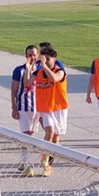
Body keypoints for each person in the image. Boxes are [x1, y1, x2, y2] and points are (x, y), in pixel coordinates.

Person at [24, 47, 68, 177]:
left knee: (56, 137)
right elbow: (27, 83)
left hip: (59, 109)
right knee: (50, 132)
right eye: (44, 59)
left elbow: (54, 78)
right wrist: (28, 69)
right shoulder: (38, 73)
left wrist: (44, 66)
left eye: (48, 59)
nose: (46, 62)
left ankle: (49, 163)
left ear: (54, 59)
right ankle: (44, 161)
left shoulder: (60, 71)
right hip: (45, 109)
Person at [12, 45, 41, 176]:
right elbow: (14, 90)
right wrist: (14, 107)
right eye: (29, 55)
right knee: (26, 135)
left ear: (38, 55)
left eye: (34, 55)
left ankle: (23, 162)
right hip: (23, 107)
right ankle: (26, 163)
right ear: (26, 56)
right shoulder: (19, 71)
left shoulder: (41, 70)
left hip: (37, 108)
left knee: (31, 135)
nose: (32, 57)